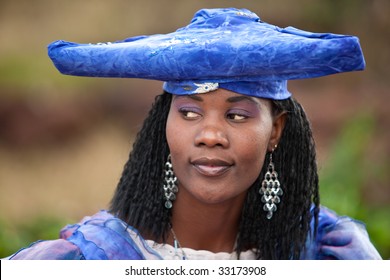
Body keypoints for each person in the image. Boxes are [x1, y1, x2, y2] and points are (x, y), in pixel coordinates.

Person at [7, 7, 382, 260]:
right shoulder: (94, 257)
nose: (210, 135)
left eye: (236, 115)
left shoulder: (328, 252)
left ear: (276, 131)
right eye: (189, 112)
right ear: (164, 125)